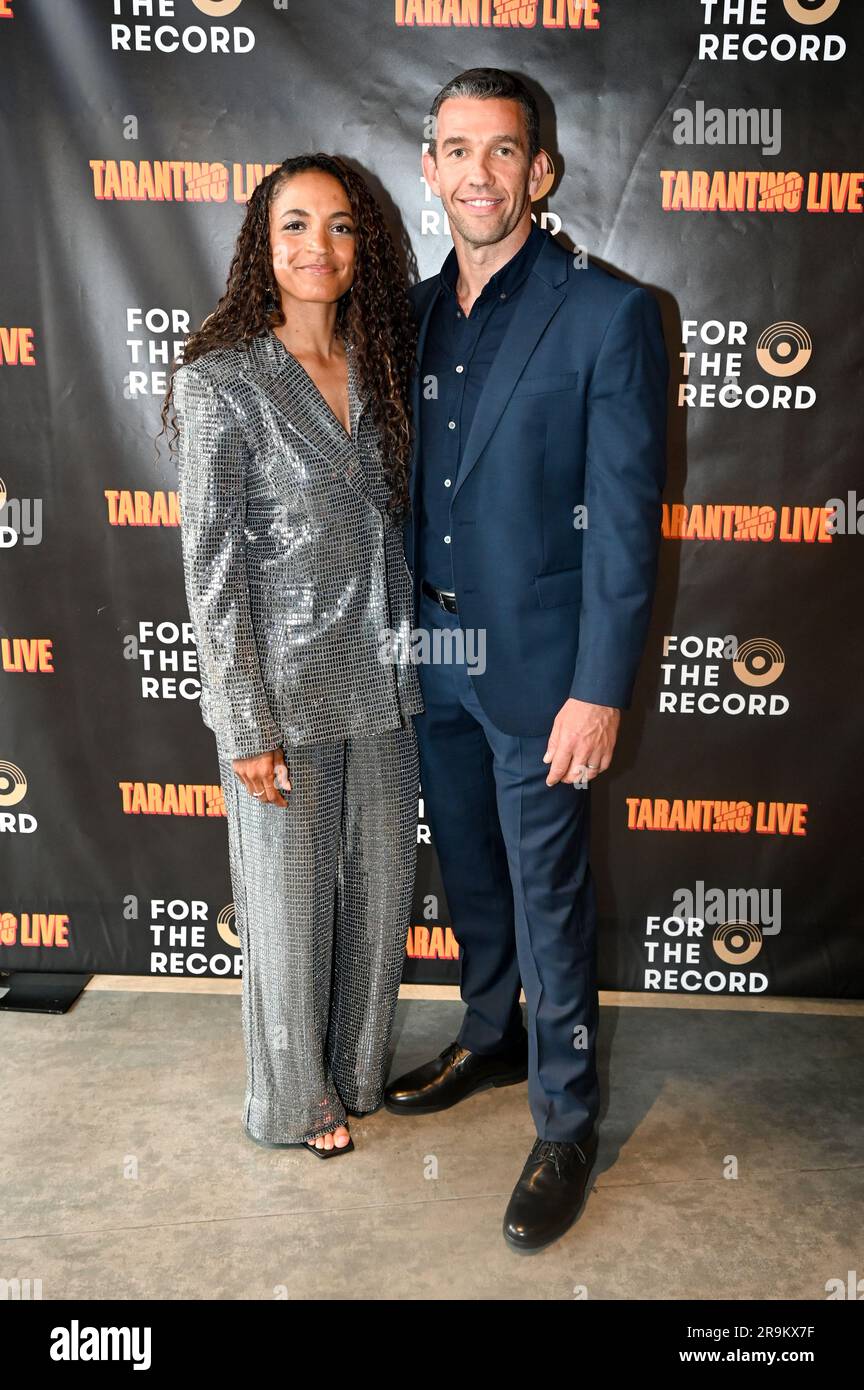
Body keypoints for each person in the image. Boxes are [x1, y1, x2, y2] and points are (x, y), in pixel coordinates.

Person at [384, 69, 669, 1249]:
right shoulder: (404, 314)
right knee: (470, 865)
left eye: (503, 152)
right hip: (430, 645)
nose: (479, 174)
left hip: (543, 668)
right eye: (458, 150)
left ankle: (565, 1117)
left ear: (539, 172)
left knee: (550, 894)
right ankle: (493, 1034)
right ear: (429, 167)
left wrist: (598, 687)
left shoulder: (609, 313)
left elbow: (626, 519)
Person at [160, 154, 423, 1157]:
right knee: (286, 903)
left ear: (366, 247)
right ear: (263, 247)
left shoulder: (386, 365)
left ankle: (355, 1073)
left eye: (342, 226)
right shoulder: (224, 382)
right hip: (285, 693)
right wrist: (243, 722)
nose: (321, 246)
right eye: (297, 225)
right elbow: (213, 570)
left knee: (381, 885)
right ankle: (292, 1099)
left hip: (388, 683)